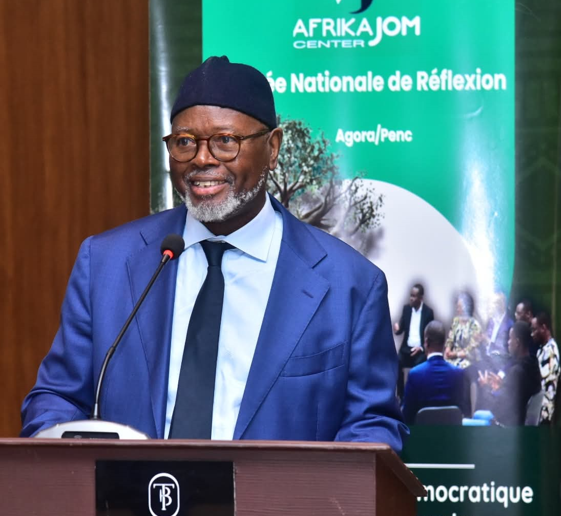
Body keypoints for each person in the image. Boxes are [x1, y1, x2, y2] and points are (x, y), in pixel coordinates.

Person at [20, 56, 407, 452]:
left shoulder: (350, 285)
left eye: (225, 141)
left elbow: (371, 425)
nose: (202, 159)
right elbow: (57, 399)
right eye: (185, 142)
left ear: (272, 148)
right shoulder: (106, 264)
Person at [402, 321, 470, 425]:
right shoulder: (459, 374)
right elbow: (464, 412)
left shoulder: (415, 374)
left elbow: (407, 416)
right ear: (444, 343)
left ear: (426, 342)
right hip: (451, 434)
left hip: (423, 435)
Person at [477, 321, 541, 426]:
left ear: (517, 342)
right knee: (477, 415)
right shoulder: (532, 365)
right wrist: (502, 385)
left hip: (509, 426)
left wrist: (486, 388)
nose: (508, 342)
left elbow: (496, 410)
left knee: (465, 422)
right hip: (518, 418)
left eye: (510, 338)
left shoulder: (516, 372)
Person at [394, 283, 434, 397]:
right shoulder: (406, 309)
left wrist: (421, 348)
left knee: (417, 370)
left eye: (414, 296)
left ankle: (415, 397)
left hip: (420, 350)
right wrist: (397, 329)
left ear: (421, 298)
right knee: (397, 362)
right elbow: (401, 329)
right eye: (410, 295)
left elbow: (431, 335)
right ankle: (401, 396)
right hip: (406, 349)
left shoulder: (428, 312)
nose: (411, 298)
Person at [531, 312, 560, 423]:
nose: (532, 334)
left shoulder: (550, 351)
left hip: (544, 410)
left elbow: (544, 383)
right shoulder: (542, 349)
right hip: (538, 407)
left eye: (535, 330)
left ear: (543, 328)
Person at [444, 292, 482, 369]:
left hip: (468, 360)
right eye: (457, 307)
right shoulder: (456, 321)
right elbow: (450, 339)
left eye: (459, 307)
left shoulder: (475, 325)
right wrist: (447, 350)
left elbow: (471, 349)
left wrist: (454, 354)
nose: (457, 310)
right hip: (452, 357)